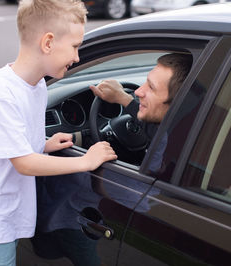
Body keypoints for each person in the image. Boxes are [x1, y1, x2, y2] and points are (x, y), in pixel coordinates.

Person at [0, 0, 117, 265]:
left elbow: (16, 146)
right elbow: (24, 163)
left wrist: (44, 144)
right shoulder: (1, 91)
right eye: (75, 46)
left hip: (5, 219)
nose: (77, 57)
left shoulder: (37, 86)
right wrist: (85, 161)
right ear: (48, 42)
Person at [32, 53, 193, 266]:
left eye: (151, 88)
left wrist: (89, 165)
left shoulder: (175, 145)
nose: (138, 91)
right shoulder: (186, 128)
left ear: (176, 104)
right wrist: (123, 99)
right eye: (144, 82)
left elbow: (139, 201)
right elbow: (154, 125)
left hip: (91, 221)